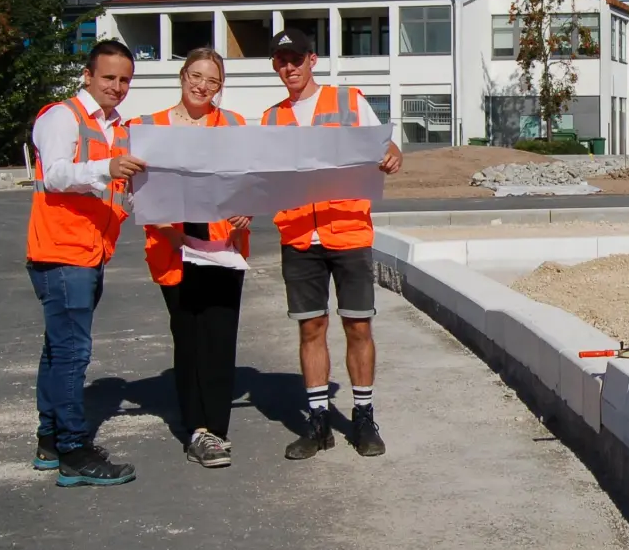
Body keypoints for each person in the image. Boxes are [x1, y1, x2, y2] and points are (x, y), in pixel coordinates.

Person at [260, 28, 402, 461]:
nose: (290, 68)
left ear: (312, 59)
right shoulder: (271, 118)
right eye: (282, 61)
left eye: (296, 59)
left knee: (358, 325)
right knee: (311, 328)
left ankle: (362, 416)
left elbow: (385, 145)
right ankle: (318, 420)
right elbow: (262, 174)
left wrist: (393, 152)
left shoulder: (347, 100)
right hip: (300, 235)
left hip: (348, 230)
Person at [26, 39, 146, 487]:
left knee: (57, 350)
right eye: (109, 77)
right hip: (62, 251)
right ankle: (74, 451)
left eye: (125, 80)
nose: (117, 86)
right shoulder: (63, 117)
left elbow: (118, 188)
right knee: (73, 353)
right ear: (88, 75)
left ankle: (50, 440)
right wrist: (105, 168)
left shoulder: (115, 127)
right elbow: (55, 173)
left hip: (88, 252)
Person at [127, 48, 250, 469]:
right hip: (174, 247)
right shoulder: (148, 127)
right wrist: (173, 232)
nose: (202, 86)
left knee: (220, 338)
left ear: (221, 87)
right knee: (190, 338)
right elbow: (138, 193)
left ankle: (215, 429)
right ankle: (197, 429)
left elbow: (251, 178)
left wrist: (247, 207)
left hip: (223, 249)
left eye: (212, 80)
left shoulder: (232, 125)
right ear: (181, 77)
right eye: (195, 76)